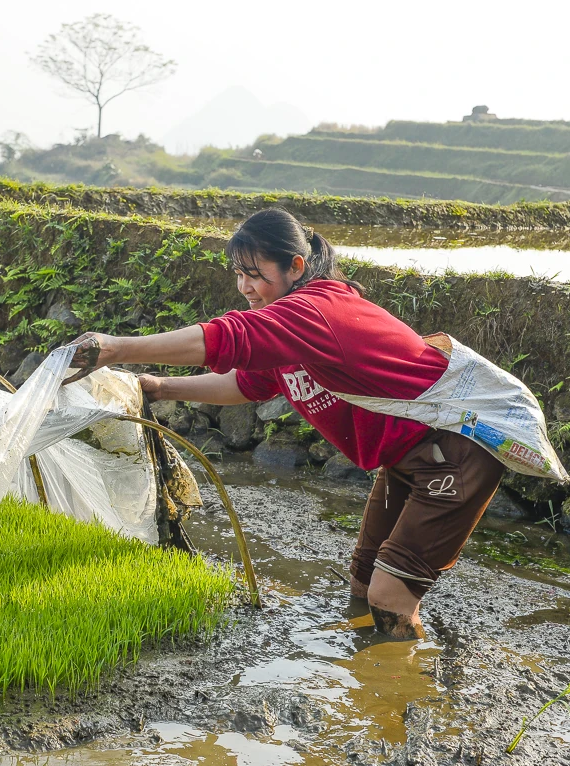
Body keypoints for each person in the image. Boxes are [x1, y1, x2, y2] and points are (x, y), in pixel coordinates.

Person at [67, 208, 505, 639]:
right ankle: (372, 673)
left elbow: (229, 338)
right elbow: (248, 382)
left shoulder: (317, 310)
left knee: (389, 597)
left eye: (254, 274)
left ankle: (407, 694)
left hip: (456, 452)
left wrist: (114, 348)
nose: (245, 287)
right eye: (238, 275)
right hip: (404, 458)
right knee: (363, 582)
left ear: (296, 266)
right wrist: (160, 387)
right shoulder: (290, 324)